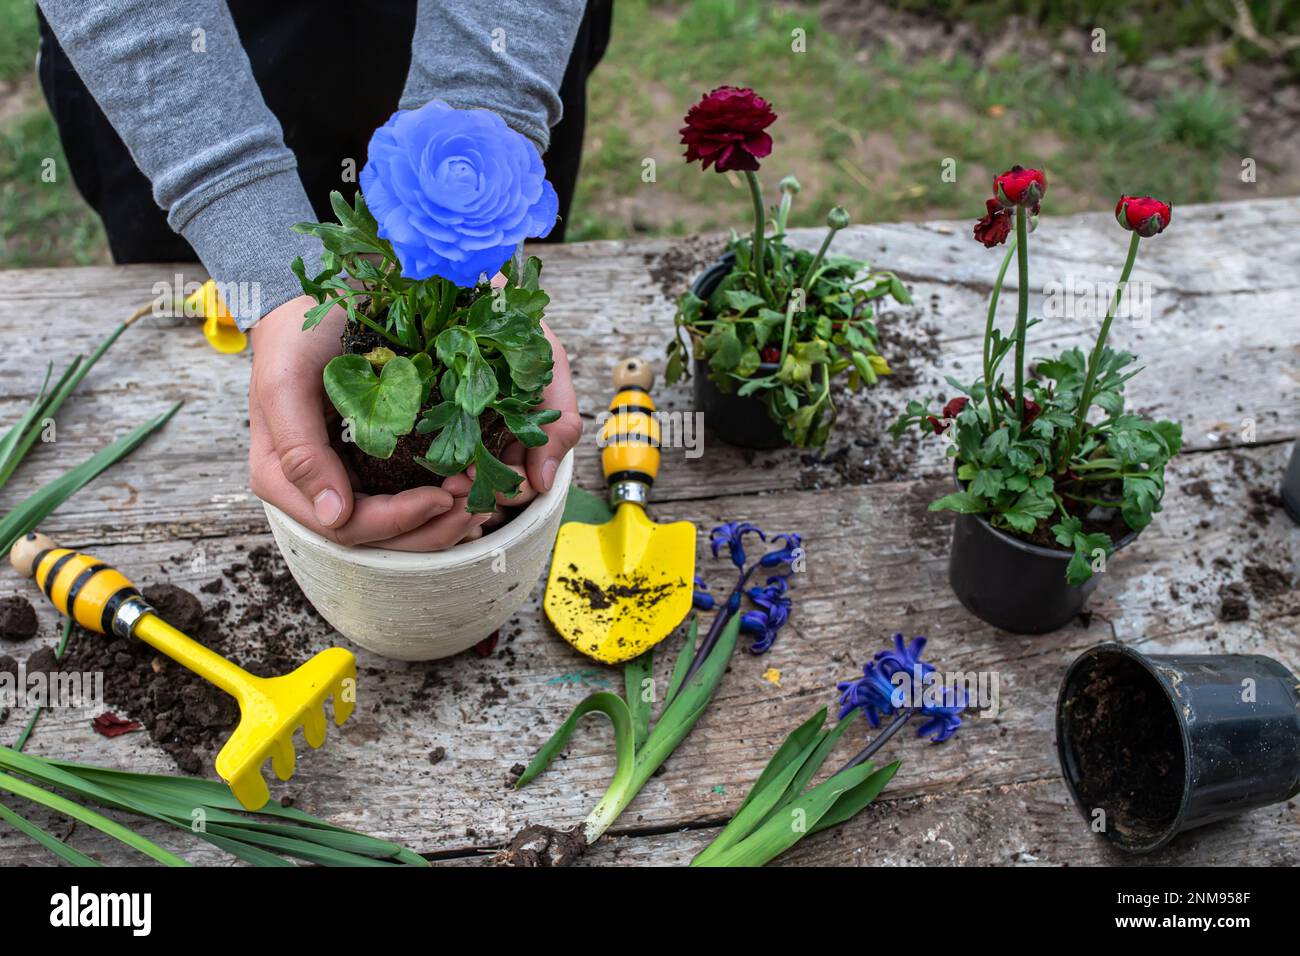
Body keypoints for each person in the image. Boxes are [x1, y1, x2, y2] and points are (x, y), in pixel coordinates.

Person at [35, 0, 609, 549]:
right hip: (173, 61)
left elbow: (489, 110)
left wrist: (489, 108)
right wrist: (245, 231)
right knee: (183, 253)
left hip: (496, 27)